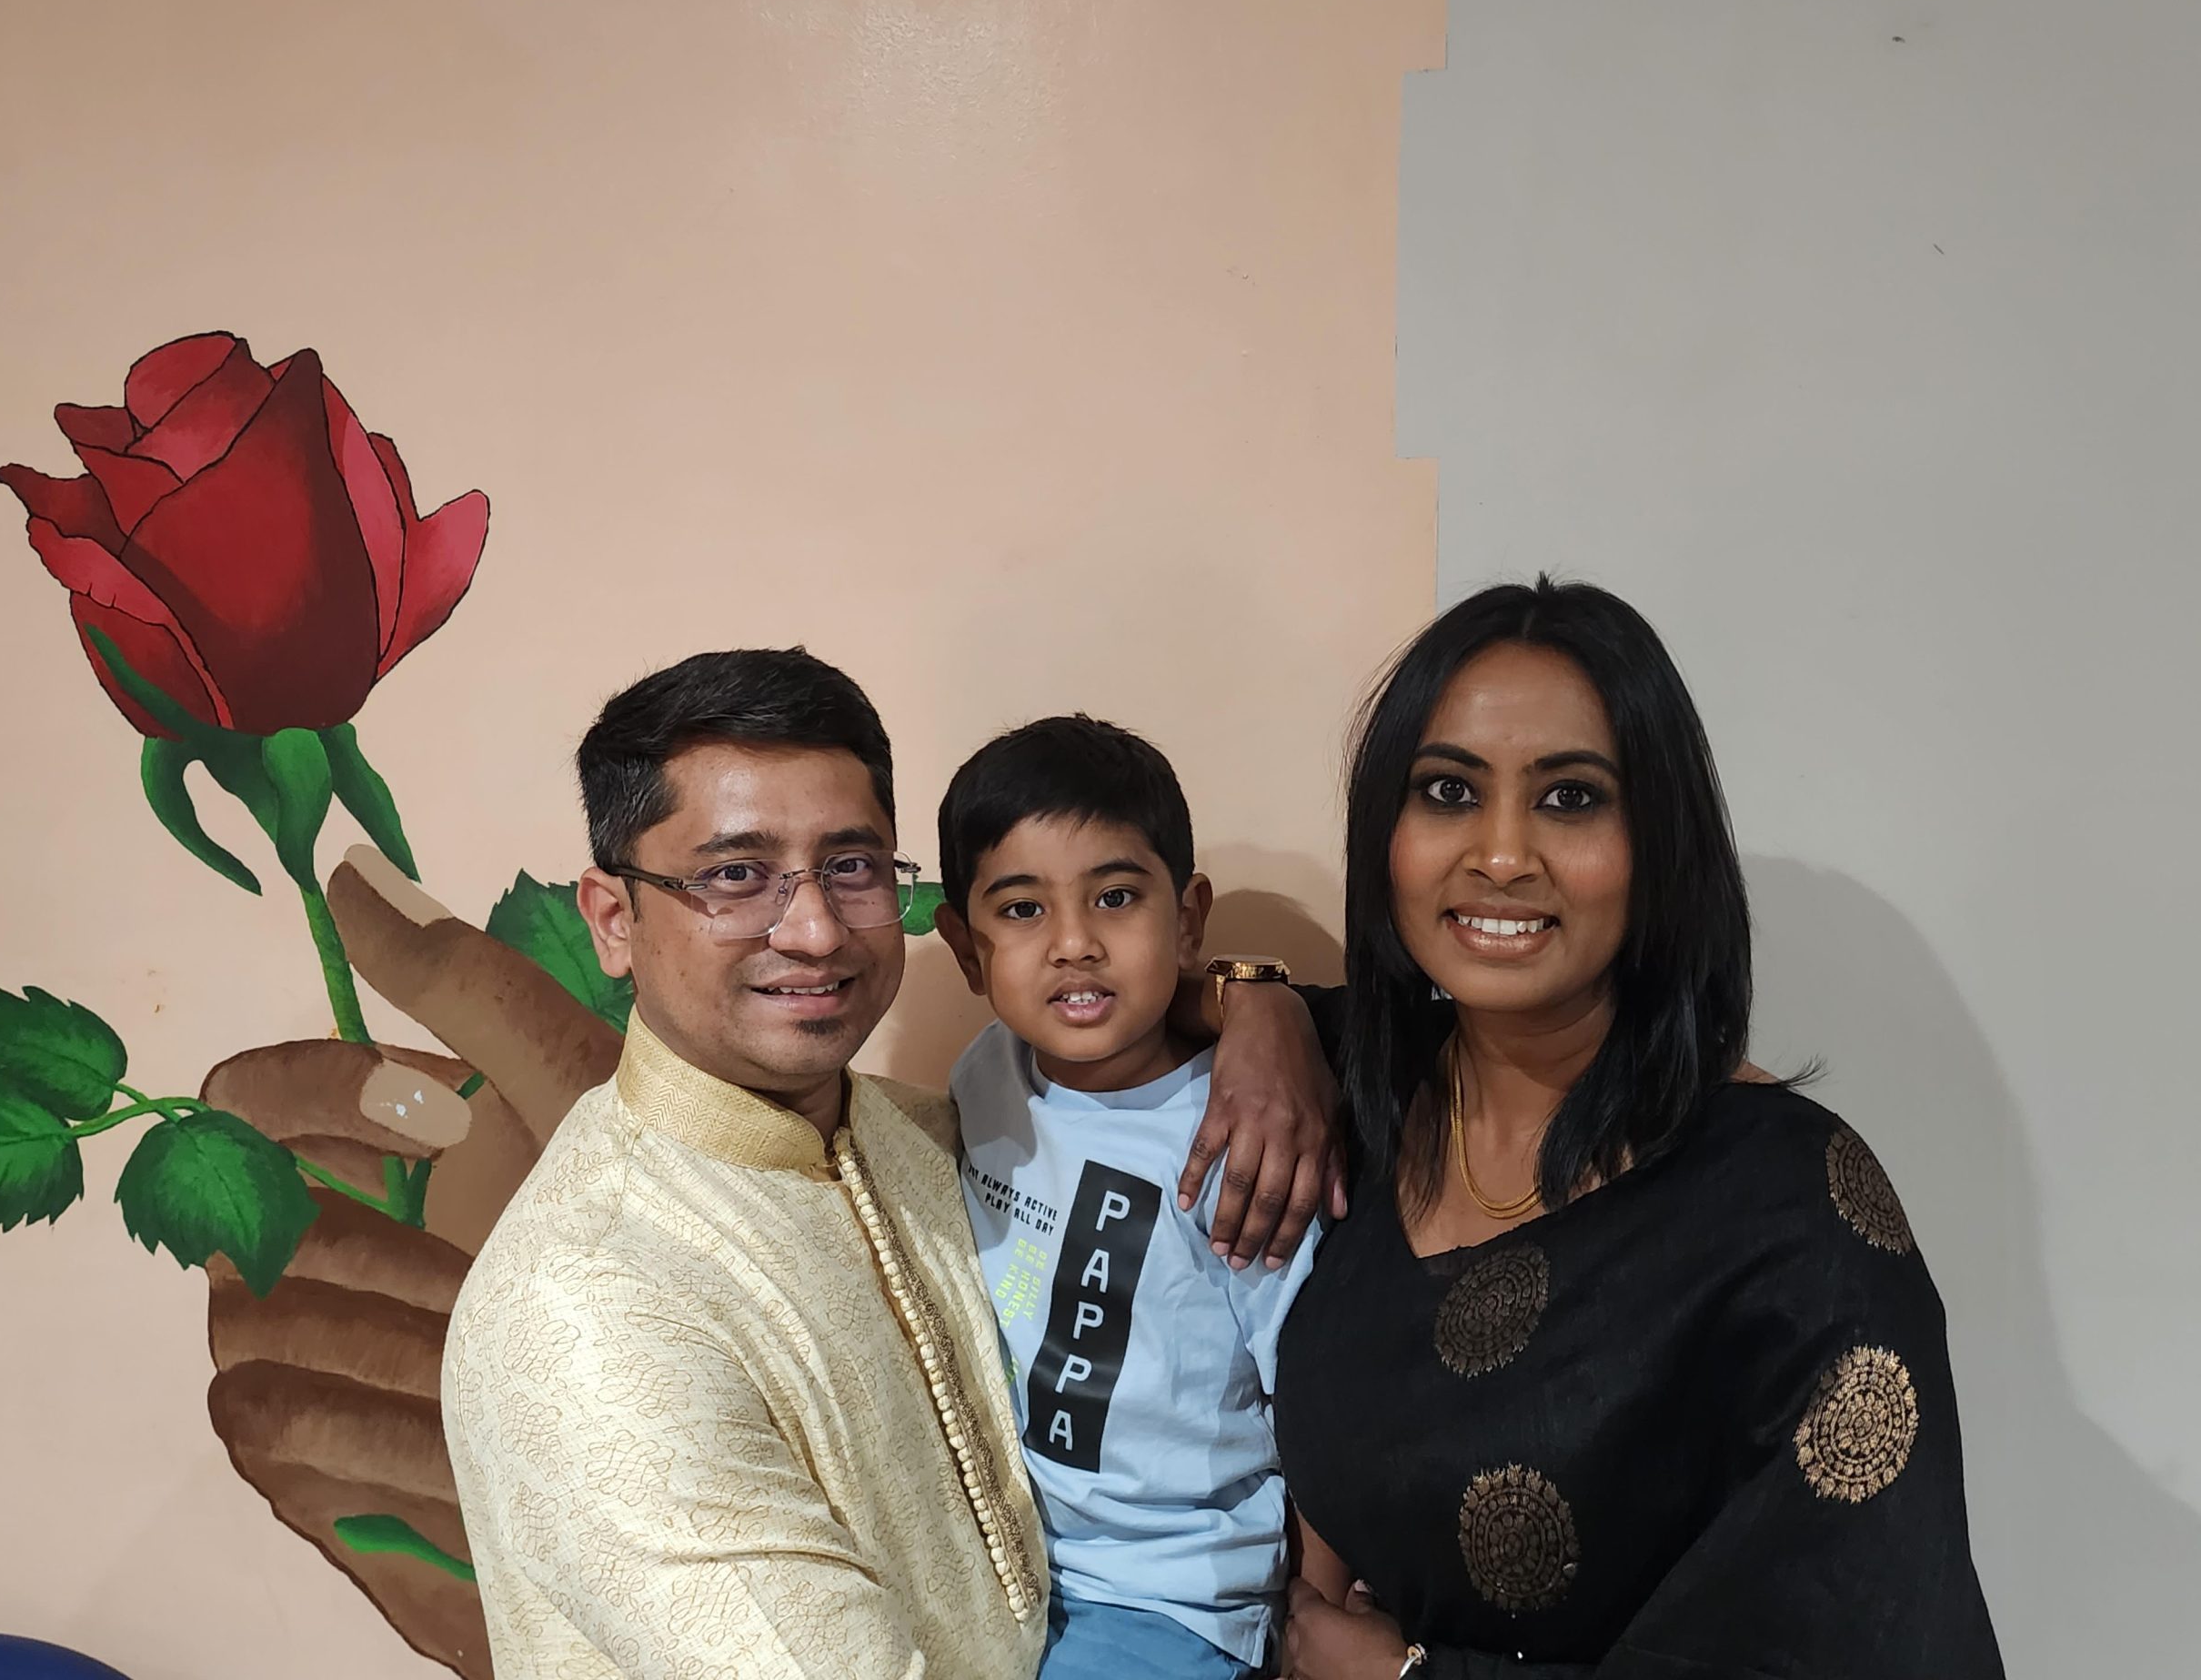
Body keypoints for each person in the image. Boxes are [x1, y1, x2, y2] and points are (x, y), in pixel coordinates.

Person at [438, 649, 1335, 1679]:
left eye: (852, 866)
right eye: (735, 875)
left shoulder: (923, 1133)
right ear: (613, 920)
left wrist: (1260, 1006)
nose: (815, 930)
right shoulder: (586, 1311)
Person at [1272, 579, 2003, 1678]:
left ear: (1659, 842)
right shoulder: (1364, 1100)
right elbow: (1125, 989)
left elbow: (1868, 1641)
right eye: (1447, 791)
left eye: (1570, 798)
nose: (1502, 855)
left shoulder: (1789, 1219)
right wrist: (1255, 1003)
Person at [933, 717, 1322, 1680]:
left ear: (1187, 920)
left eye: (1114, 897)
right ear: (966, 950)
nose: (1074, 944)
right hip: (1008, 1561)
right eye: (1022, 909)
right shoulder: (985, 1072)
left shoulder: (1240, 1135)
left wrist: (1314, 1609)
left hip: (1170, 1593)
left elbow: (1314, 1396)